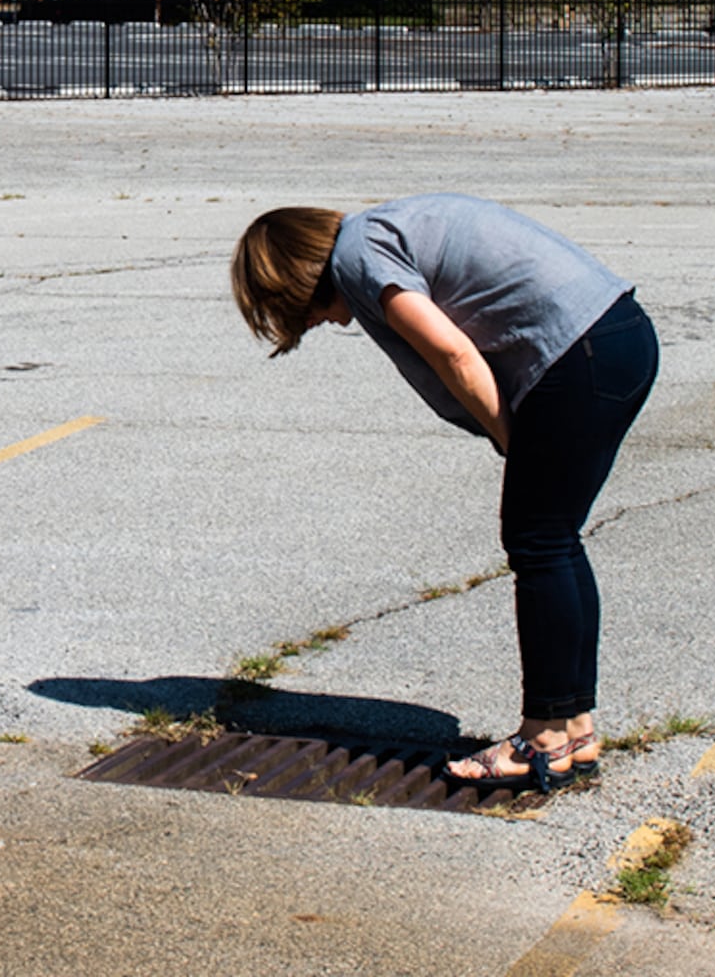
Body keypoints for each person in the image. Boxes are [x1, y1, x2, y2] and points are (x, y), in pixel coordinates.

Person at [231, 195, 660, 792]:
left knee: (538, 542)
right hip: (618, 336)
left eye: (293, 310)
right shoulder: (379, 231)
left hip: (580, 357)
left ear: (296, 276)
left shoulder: (359, 257)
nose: (313, 322)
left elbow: (452, 351)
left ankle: (541, 739)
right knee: (554, 541)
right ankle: (574, 729)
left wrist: (512, 439)